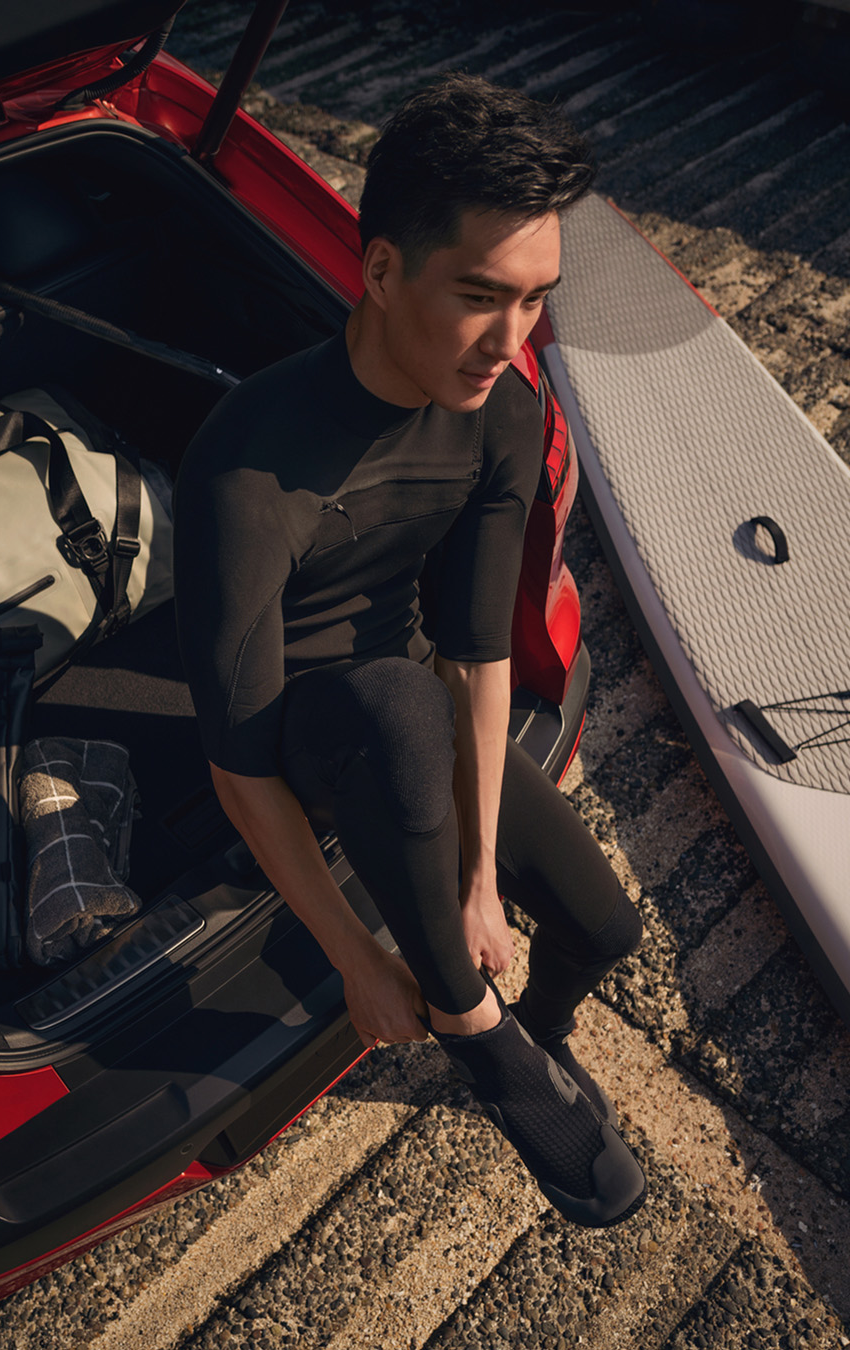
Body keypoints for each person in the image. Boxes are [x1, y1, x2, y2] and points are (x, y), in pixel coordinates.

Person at [173, 74, 646, 1228]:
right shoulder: (246, 462)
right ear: (381, 270)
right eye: (481, 297)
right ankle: (474, 1030)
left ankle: (538, 1031)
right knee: (391, 704)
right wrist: (354, 956)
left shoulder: (501, 409)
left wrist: (483, 876)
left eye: (536, 300)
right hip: (310, 725)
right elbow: (237, 764)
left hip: (417, 704)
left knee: (605, 924)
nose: (510, 339)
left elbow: (484, 651)